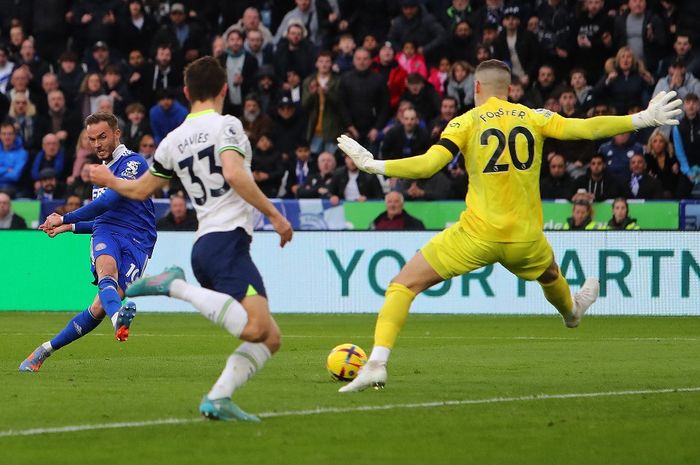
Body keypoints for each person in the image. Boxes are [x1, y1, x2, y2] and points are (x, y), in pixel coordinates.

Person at [334, 59, 682, 392]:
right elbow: (586, 128)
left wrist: (374, 164)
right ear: (510, 89)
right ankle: (572, 313)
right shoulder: (534, 117)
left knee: (403, 286)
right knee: (550, 275)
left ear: (477, 87)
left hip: (476, 234)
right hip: (525, 238)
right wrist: (641, 119)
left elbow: (428, 166)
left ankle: (377, 362)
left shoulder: (466, 121)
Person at [89, 56, 293, 422]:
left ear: (185, 92)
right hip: (226, 242)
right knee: (255, 328)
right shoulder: (226, 125)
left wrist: (109, 180)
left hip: (206, 247)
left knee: (270, 336)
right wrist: (276, 216)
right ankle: (175, 286)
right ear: (223, 89)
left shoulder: (172, 140)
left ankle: (218, 398)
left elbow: (140, 189)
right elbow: (233, 172)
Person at [19, 112, 157, 373]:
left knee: (97, 307)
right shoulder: (101, 173)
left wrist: (65, 217)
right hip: (107, 233)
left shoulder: (133, 163)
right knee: (107, 271)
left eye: (102, 136)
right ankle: (119, 319)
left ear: (117, 134)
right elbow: (102, 219)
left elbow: (108, 202)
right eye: (92, 139)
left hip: (139, 240)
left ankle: (44, 350)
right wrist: (68, 227)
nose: (97, 144)